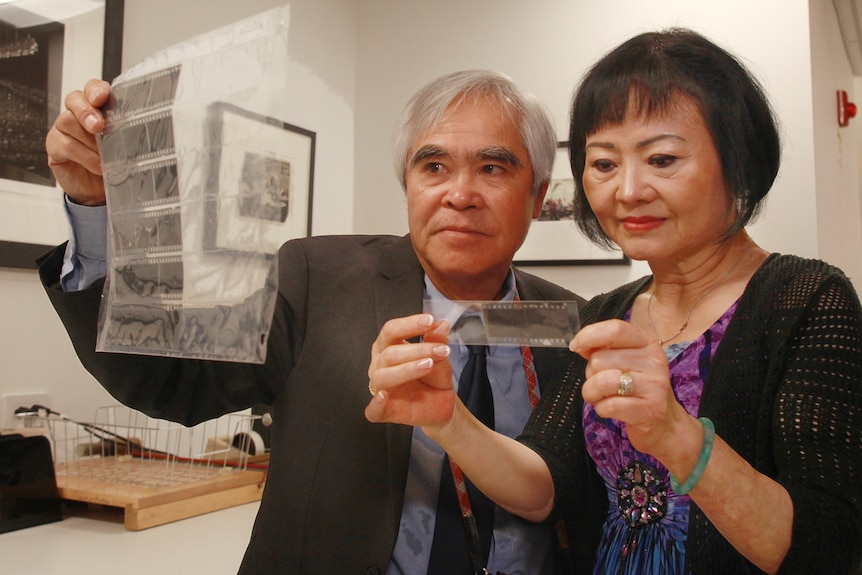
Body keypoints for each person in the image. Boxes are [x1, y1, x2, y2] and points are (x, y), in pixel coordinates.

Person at [40, 69, 585, 574]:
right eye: (434, 166)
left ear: (538, 196)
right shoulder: (319, 278)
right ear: (409, 184)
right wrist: (93, 206)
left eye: (492, 168)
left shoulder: (566, 321)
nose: (459, 195)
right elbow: (171, 381)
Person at [365, 29, 862, 575]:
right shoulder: (605, 313)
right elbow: (545, 487)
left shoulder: (808, 301)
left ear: (738, 160)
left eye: (663, 159)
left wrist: (677, 434)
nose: (628, 190)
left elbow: (828, 549)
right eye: (603, 164)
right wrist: (448, 422)